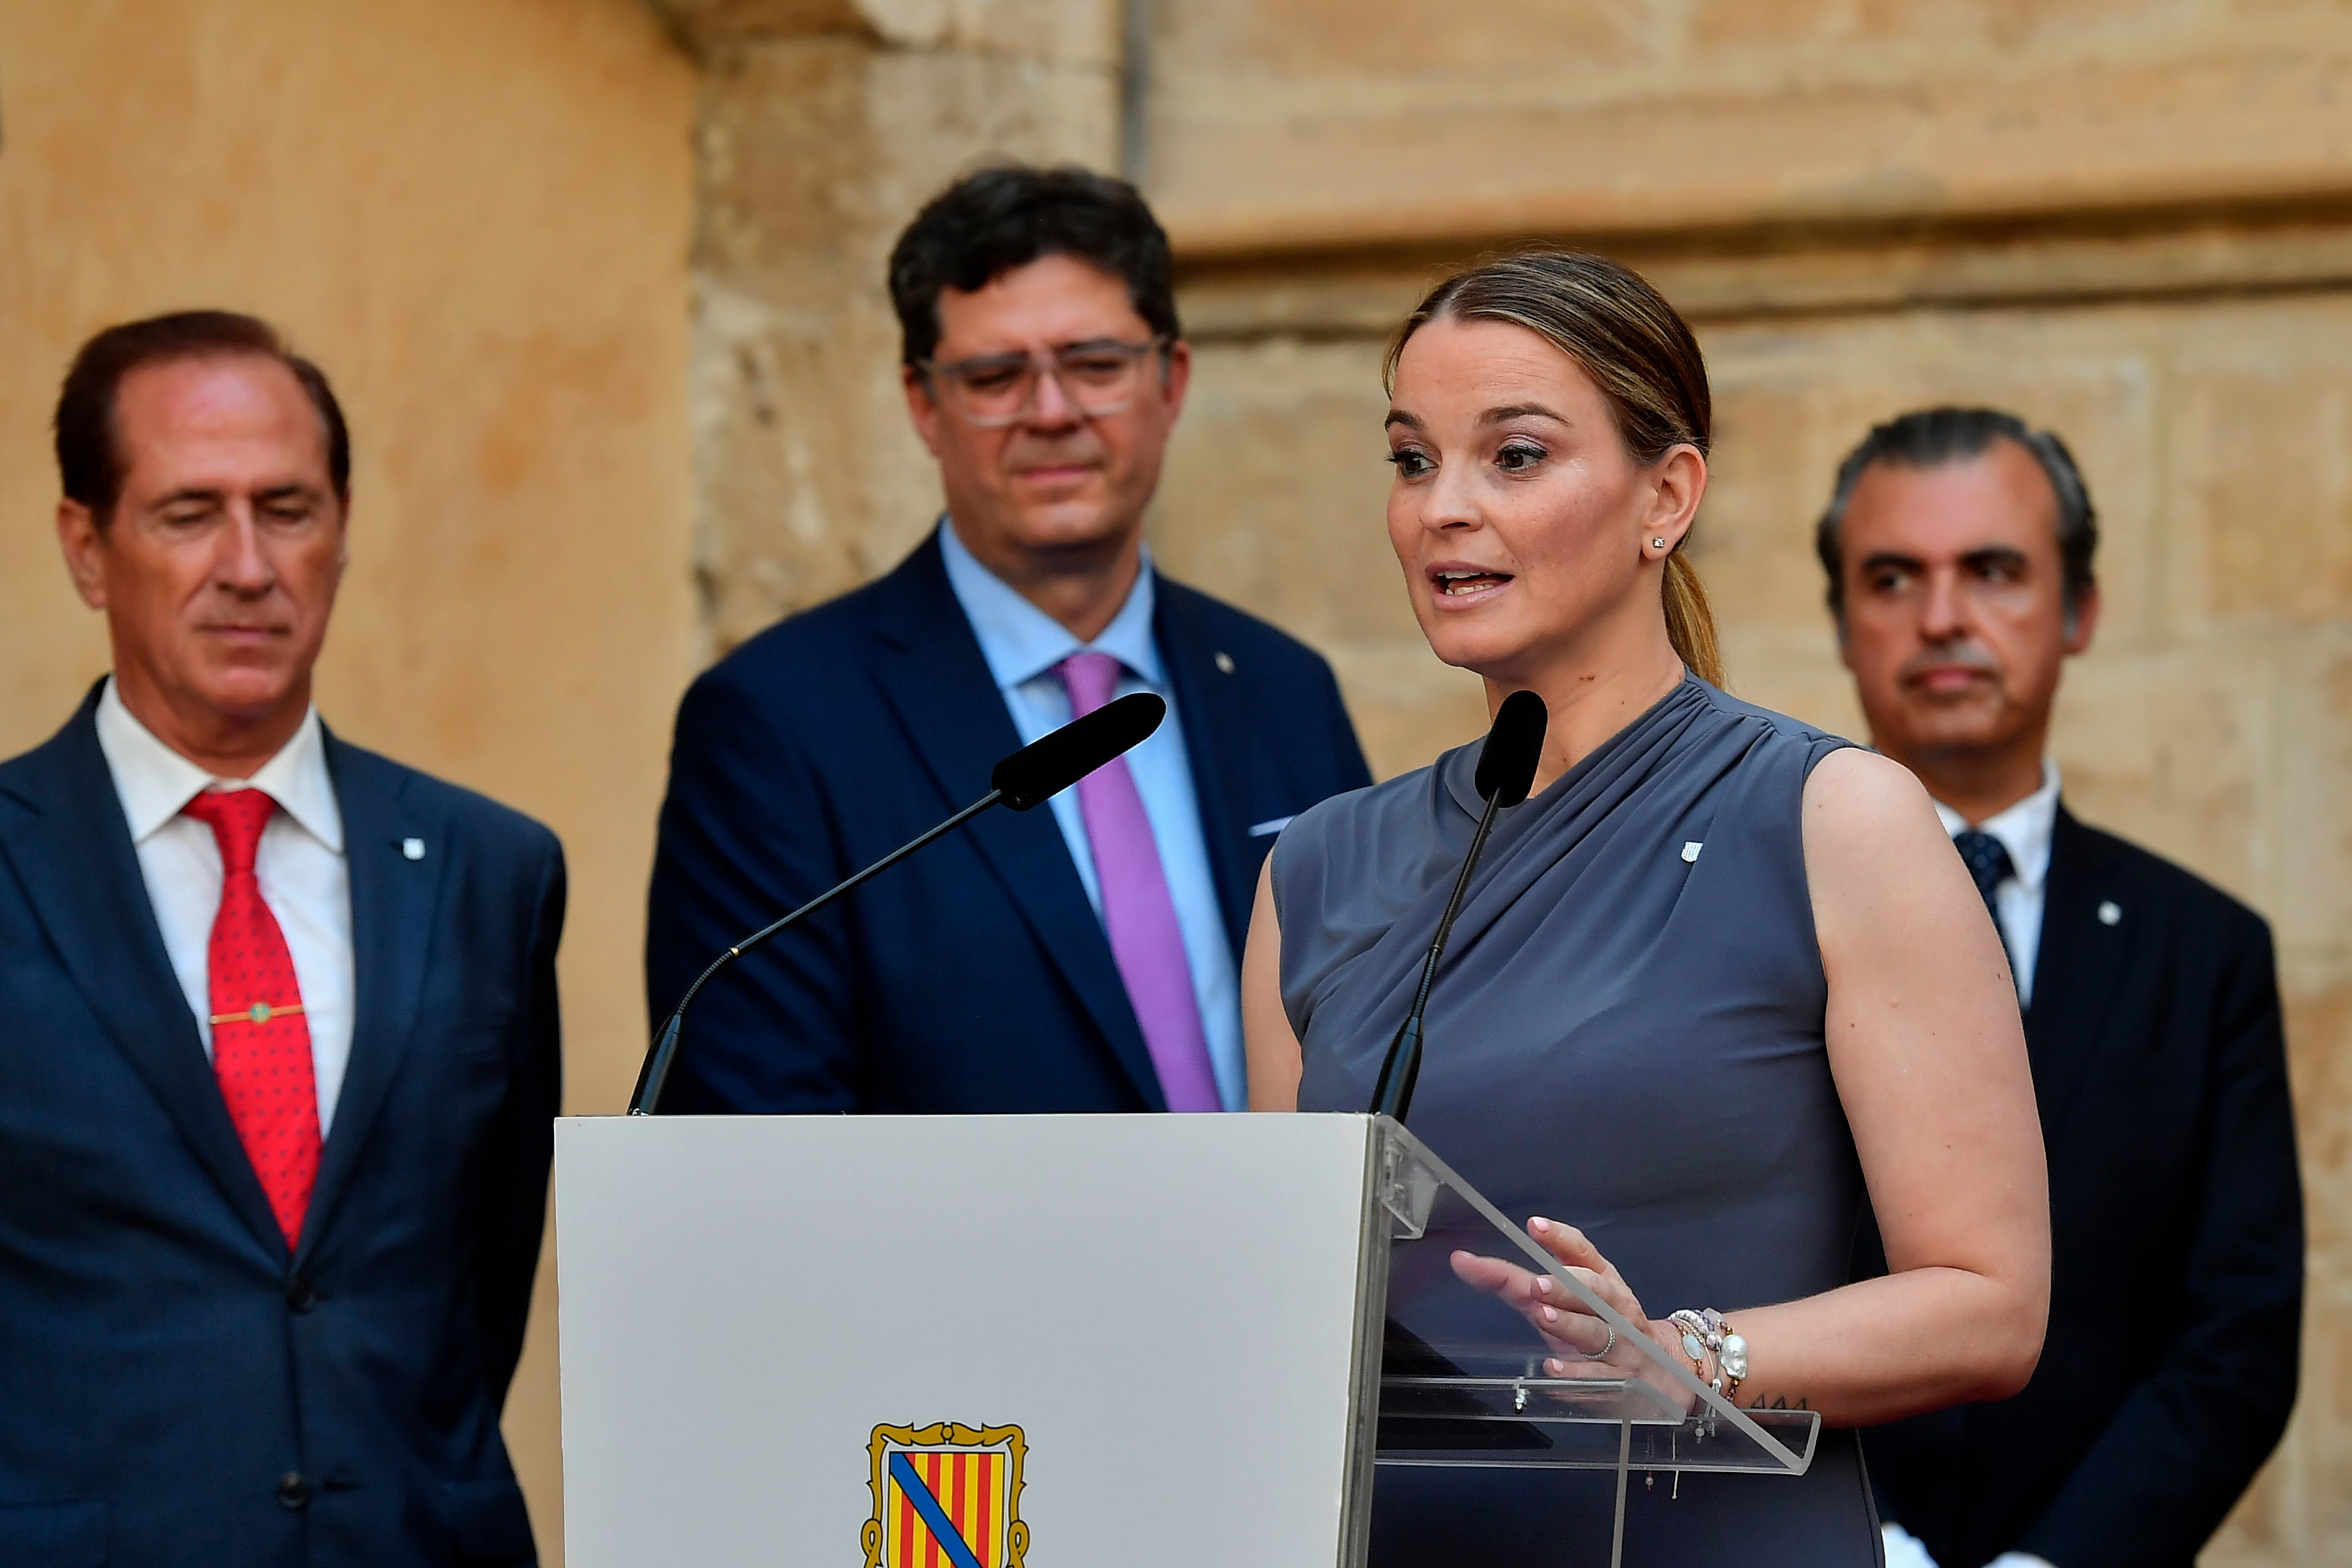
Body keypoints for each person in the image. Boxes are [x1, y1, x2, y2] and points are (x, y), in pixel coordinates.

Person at [1241, 252, 2051, 1564]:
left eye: (1513, 456)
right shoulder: (1315, 870)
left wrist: (1691, 1358)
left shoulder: (1836, 820)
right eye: (1410, 460)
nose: (1444, 508)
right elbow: (1288, 1313)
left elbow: (1990, 1307)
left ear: (1665, 496)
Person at [0, 312, 563, 1565]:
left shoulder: (491, 870)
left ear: (344, 532)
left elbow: (481, 1280)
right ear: (88, 549)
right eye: (189, 513)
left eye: (289, 509)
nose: (248, 566)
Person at [645, 164, 1371, 1115]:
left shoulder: (1281, 686)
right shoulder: (778, 725)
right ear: (923, 405)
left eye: (1096, 365)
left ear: (1171, 379)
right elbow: (757, 1132)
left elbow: (1376, 1035)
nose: (1052, 413)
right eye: (994, 377)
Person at [1821, 408, 2303, 1568]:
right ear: (1842, 623)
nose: (1943, 618)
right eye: (1894, 577)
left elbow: (2235, 1337)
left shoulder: (2204, 953)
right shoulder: (1754, 921)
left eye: (1992, 571)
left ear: (2079, 611)